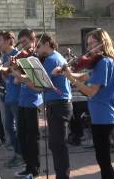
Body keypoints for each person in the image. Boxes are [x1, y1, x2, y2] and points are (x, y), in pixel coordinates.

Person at [55, 29, 114, 179]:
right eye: (88, 44)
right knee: (102, 159)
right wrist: (67, 74)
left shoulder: (103, 62)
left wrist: (71, 79)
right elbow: (84, 76)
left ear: (102, 43)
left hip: (104, 115)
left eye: (92, 43)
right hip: (100, 115)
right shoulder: (100, 62)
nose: (89, 48)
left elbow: (91, 92)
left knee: (104, 160)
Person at [37, 33, 73, 179]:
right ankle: (62, 175)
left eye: (38, 46)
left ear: (47, 44)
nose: (36, 49)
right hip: (58, 104)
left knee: (58, 144)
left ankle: (62, 176)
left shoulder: (51, 59)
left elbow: (42, 85)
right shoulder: (55, 57)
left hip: (59, 105)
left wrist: (25, 79)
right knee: (56, 144)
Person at [9, 29, 43, 177]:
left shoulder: (36, 57)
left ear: (33, 40)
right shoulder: (22, 57)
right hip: (22, 100)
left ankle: (35, 169)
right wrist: (14, 70)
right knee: (22, 136)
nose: (22, 46)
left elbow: (38, 84)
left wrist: (21, 75)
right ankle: (28, 166)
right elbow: (16, 81)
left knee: (32, 137)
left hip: (33, 101)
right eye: (21, 42)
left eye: (25, 42)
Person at [0, 31, 23, 168]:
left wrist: (5, 68)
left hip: (17, 97)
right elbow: (7, 79)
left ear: (8, 41)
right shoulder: (5, 56)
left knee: (19, 128)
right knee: (7, 126)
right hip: (8, 95)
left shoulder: (17, 54)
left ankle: (20, 155)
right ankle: (16, 153)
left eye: (0, 40)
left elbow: (19, 77)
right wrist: (1, 71)